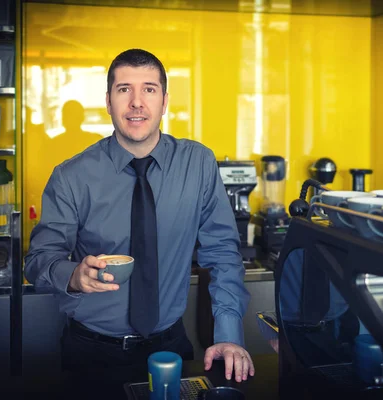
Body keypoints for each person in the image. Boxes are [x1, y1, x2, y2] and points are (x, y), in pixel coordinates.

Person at [24, 48, 254, 383]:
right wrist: (74, 275)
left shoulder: (198, 164)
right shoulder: (71, 176)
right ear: (108, 101)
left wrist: (229, 334)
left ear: (164, 101)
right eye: (123, 90)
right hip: (89, 353)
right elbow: (38, 260)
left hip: (171, 348)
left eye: (148, 89)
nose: (136, 102)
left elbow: (222, 253)